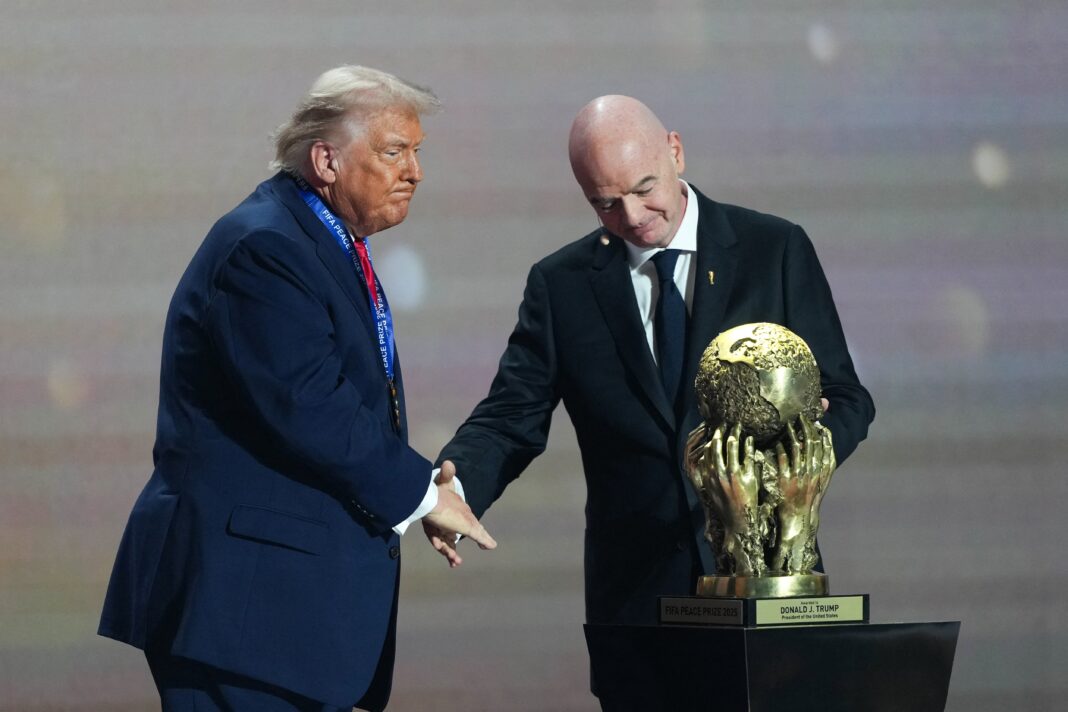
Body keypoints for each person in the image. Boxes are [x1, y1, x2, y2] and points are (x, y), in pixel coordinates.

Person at [434, 95, 875, 708]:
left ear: (675, 151)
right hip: (639, 611)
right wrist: (455, 488)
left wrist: (787, 465)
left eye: (645, 189)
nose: (635, 216)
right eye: (606, 203)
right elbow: (511, 416)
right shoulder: (561, 286)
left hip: (772, 590)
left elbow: (846, 396)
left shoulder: (771, 248)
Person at [98, 65, 496, 712]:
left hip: (280, 620)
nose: (415, 171)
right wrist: (423, 494)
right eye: (394, 152)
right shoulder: (266, 249)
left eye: (417, 152)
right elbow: (309, 405)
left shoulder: (316, 242)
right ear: (326, 160)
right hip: (246, 615)